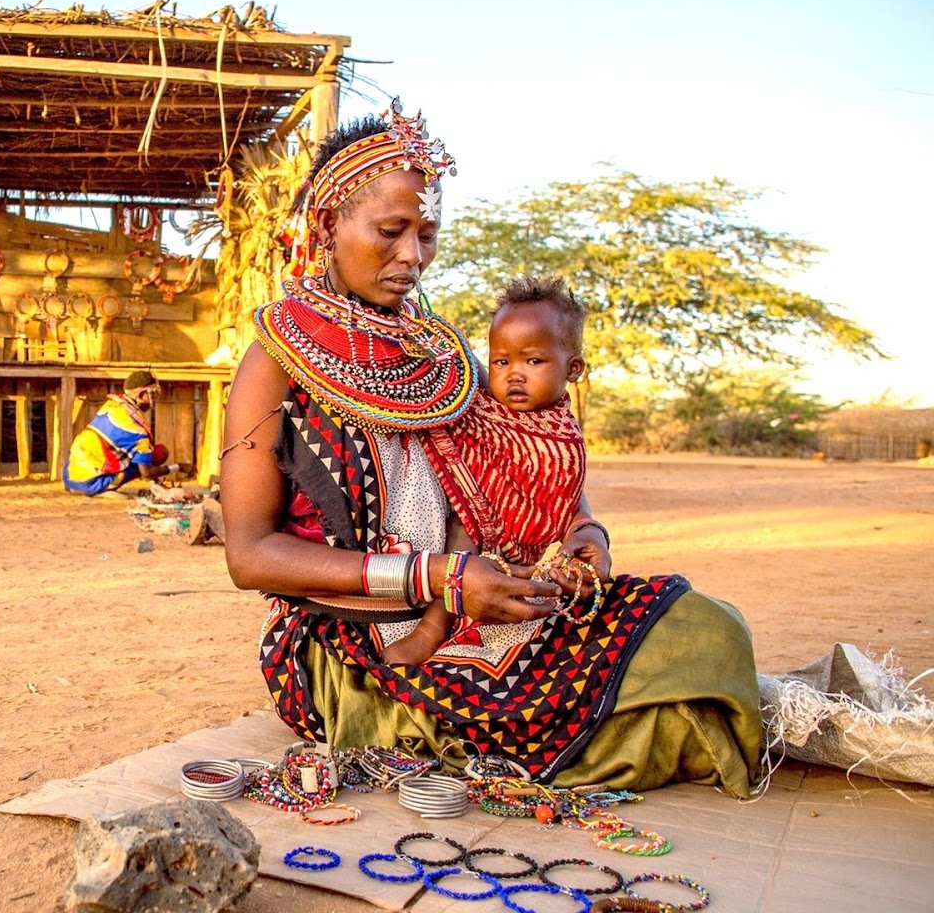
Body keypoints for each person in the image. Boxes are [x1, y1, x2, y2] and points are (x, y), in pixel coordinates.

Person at [220, 101, 763, 795]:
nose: (412, 256)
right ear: (327, 225)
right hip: (355, 649)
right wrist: (437, 578)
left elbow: (538, 458)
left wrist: (584, 537)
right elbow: (249, 554)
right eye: (391, 231)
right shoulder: (275, 358)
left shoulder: (445, 359)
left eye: (427, 235)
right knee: (636, 712)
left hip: (479, 608)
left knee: (708, 631)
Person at [379, 274, 590, 665]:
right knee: (465, 533)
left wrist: (586, 531)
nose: (514, 374)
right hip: (450, 537)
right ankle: (431, 629)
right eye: (501, 361)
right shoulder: (477, 409)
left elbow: (561, 496)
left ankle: (438, 630)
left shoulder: (564, 440)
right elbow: (442, 424)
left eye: (534, 361)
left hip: (518, 559)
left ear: (572, 367)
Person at [63, 370, 194, 496]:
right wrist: (178, 467)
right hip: (90, 483)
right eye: (151, 395)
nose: (154, 399)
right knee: (159, 454)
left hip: (70, 477)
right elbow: (146, 473)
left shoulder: (112, 405)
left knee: (143, 455)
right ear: (140, 395)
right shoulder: (135, 430)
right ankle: (102, 488)